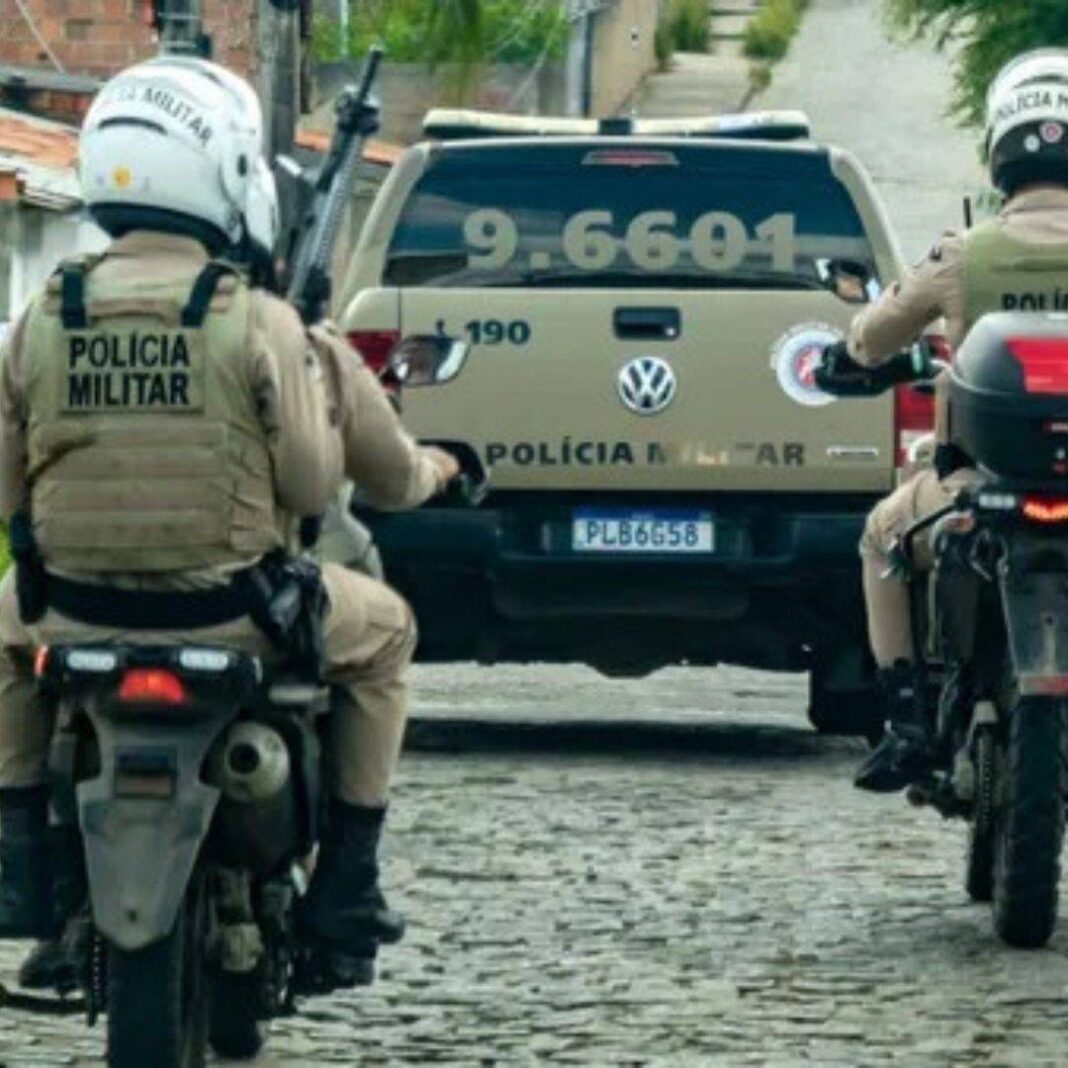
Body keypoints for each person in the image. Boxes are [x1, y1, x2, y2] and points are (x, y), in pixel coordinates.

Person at [0, 55, 458, 987]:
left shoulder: (43, 316)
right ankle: (348, 882)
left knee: (5, 641)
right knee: (388, 634)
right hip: (234, 611)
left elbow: (7, 488)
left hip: (73, 613)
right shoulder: (256, 320)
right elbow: (311, 486)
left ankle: (21, 859)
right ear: (227, 174)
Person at [819, 48, 1068, 793]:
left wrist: (850, 356)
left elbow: (871, 337)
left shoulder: (963, 254)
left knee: (883, 537)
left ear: (999, 150)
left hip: (976, 486)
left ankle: (907, 723)